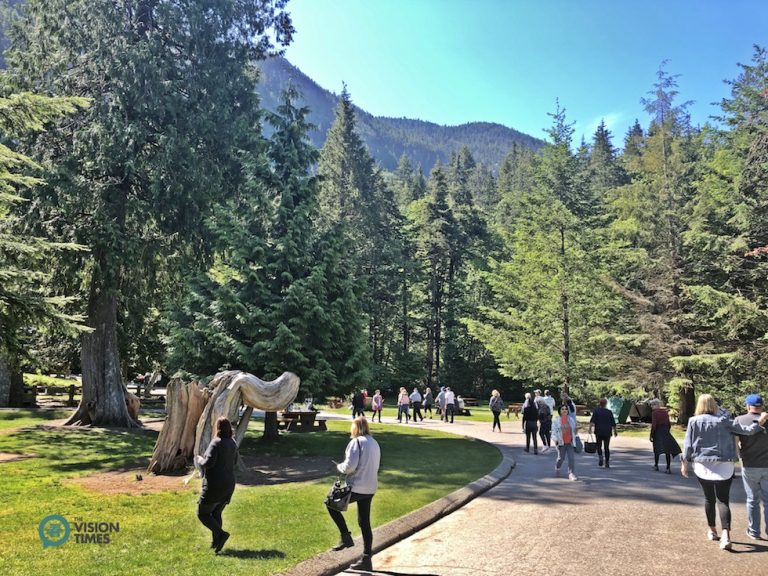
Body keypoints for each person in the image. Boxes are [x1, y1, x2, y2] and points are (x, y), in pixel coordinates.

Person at [681, 394, 768, 551]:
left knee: (709, 499)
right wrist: (759, 423)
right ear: (714, 404)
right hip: (724, 464)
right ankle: (726, 535)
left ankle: (712, 530)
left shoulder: (693, 421)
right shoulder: (724, 421)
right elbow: (747, 431)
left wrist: (684, 462)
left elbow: (688, 444)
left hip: (703, 464)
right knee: (723, 500)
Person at [327, 416, 381, 572]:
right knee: (364, 522)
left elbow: (349, 467)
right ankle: (366, 559)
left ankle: (345, 537)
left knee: (331, 504)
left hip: (357, 486)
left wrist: (339, 467)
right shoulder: (374, 442)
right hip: (370, 487)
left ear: (355, 428)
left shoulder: (356, 442)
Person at [196, 416, 238, 553]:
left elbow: (209, 463)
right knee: (216, 512)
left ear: (218, 428)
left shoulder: (216, 443)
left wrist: (200, 460)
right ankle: (216, 542)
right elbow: (235, 462)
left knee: (202, 514)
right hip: (229, 484)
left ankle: (221, 534)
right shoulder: (233, 443)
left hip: (215, 485)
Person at [733, 394, 768, 540]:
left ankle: (754, 531)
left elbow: (735, 443)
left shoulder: (740, 420)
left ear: (747, 406)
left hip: (749, 464)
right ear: (762, 406)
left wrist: (739, 455)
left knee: (752, 499)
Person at [650, 399, 681, 473]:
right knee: (667, 450)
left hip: (658, 431)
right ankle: (668, 467)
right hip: (665, 430)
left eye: (652, 405)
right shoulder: (665, 412)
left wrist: (651, 434)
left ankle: (656, 465)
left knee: (656, 449)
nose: (651, 406)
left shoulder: (654, 413)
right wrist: (667, 430)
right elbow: (668, 423)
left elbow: (654, 425)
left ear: (656, 405)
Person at [588, 398, 617, 468]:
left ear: (599, 403)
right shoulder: (609, 412)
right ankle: (607, 462)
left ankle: (600, 456)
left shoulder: (596, 411)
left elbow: (592, 421)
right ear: (606, 404)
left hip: (598, 431)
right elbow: (613, 423)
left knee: (599, 446)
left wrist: (590, 429)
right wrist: (615, 431)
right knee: (606, 447)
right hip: (607, 431)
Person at [552, 405, 578, 480]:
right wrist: (555, 439)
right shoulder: (556, 420)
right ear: (560, 411)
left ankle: (571, 473)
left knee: (571, 458)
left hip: (570, 442)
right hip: (561, 442)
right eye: (562, 409)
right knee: (561, 458)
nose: (564, 410)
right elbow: (553, 431)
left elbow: (574, 431)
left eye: (566, 409)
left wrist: (577, 429)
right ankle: (557, 467)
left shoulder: (571, 419)